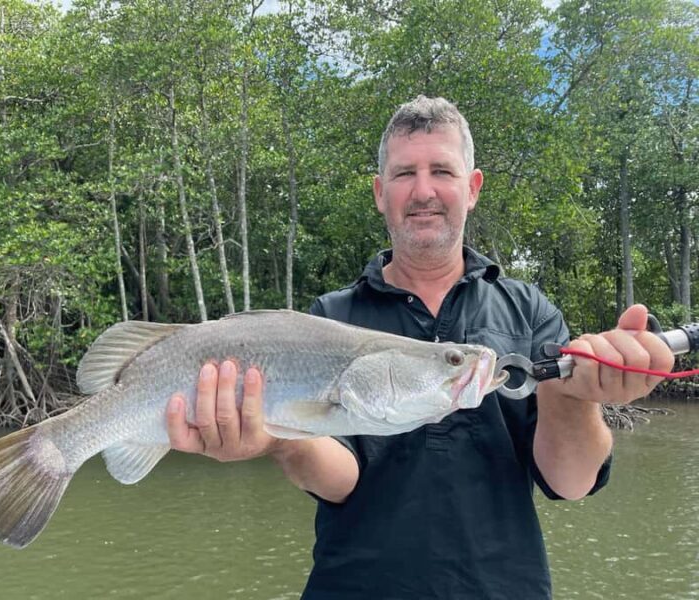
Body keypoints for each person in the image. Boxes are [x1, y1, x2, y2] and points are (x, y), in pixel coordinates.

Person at [165, 96, 674, 599]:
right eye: (405, 173)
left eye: (442, 171)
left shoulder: (530, 311)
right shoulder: (327, 319)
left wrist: (574, 397)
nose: (423, 190)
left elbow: (569, 483)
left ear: (472, 188)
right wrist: (280, 439)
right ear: (380, 193)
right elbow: (342, 481)